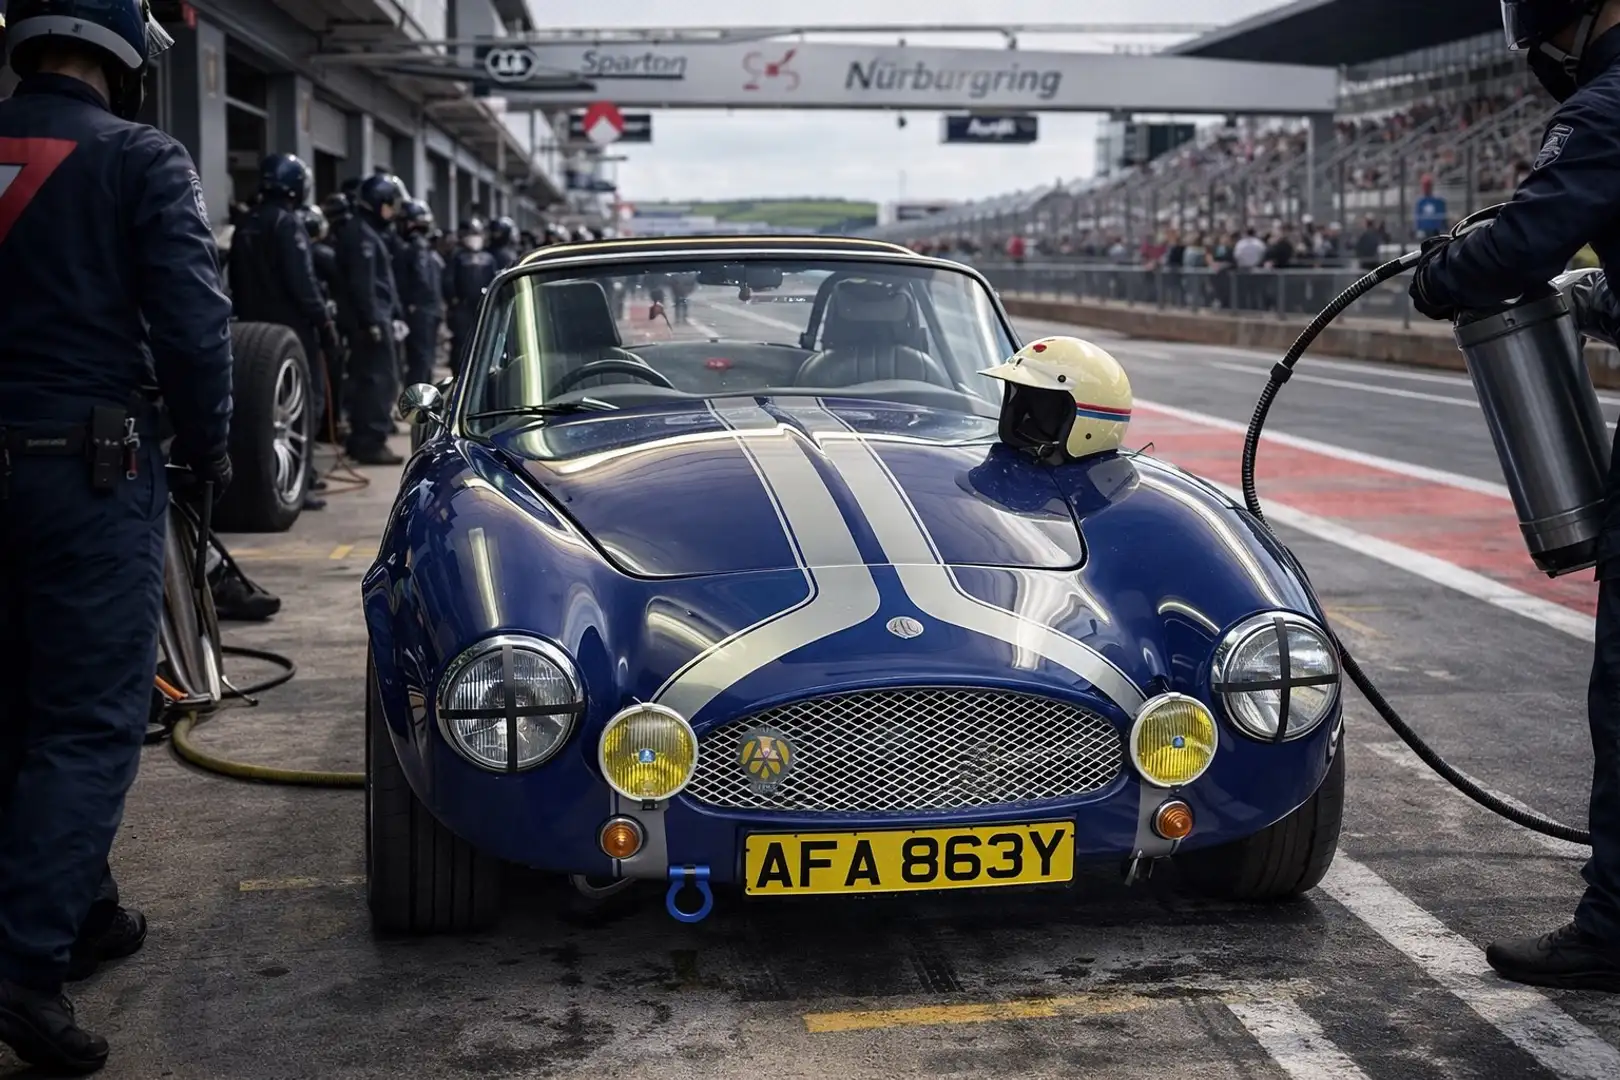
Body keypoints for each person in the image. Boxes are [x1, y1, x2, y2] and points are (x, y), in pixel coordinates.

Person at [0, 1, 234, 1072]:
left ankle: (82, 910)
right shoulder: (140, 156)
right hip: (84, 472)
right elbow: (192, 321)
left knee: (15, 707)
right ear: (126, 55)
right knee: (88, 722)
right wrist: (210, 448)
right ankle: (22, 967)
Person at [1410, 0, 1620, 993]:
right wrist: (1600, 297)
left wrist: (1437, 273)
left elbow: (1519, 245)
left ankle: (1614, 929)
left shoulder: (1605, 107)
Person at [226, 153, 336, 511]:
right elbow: (302, 281)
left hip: (251, 332)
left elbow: (235, 277)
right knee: (303, 407)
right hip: (291, 331)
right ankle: (297, 483)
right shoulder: (287, 224)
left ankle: (282, 478)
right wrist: (323, 320)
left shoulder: (247, 223)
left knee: (259, 411)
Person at [334, 173, 405, 466]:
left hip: (372, 318)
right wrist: (373, 321)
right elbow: (362, 285)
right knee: (378, 381)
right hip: (370, 322)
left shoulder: (364, 231)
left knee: (368, 380)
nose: (394, 212)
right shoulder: (362, 234)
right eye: (390, 205)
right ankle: (370, 441)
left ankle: (361, 439)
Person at [394, 199, 444, 388]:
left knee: (419, 361)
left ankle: (417, 397)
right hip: (429, 310)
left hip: (420, 312)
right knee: (424, 359)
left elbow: (421, 278)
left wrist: (411, 304)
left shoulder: (415, 246)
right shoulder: (425, 247)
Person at [443, 217, 496, 375]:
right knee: (461, 344)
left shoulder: (489, 258)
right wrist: (453, 301)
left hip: (483, 307)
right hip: (462, 308)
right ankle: (459, 376)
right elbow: (448, 281)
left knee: (483, 341)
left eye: (477, 234)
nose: (474, 238)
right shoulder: (457, 257)